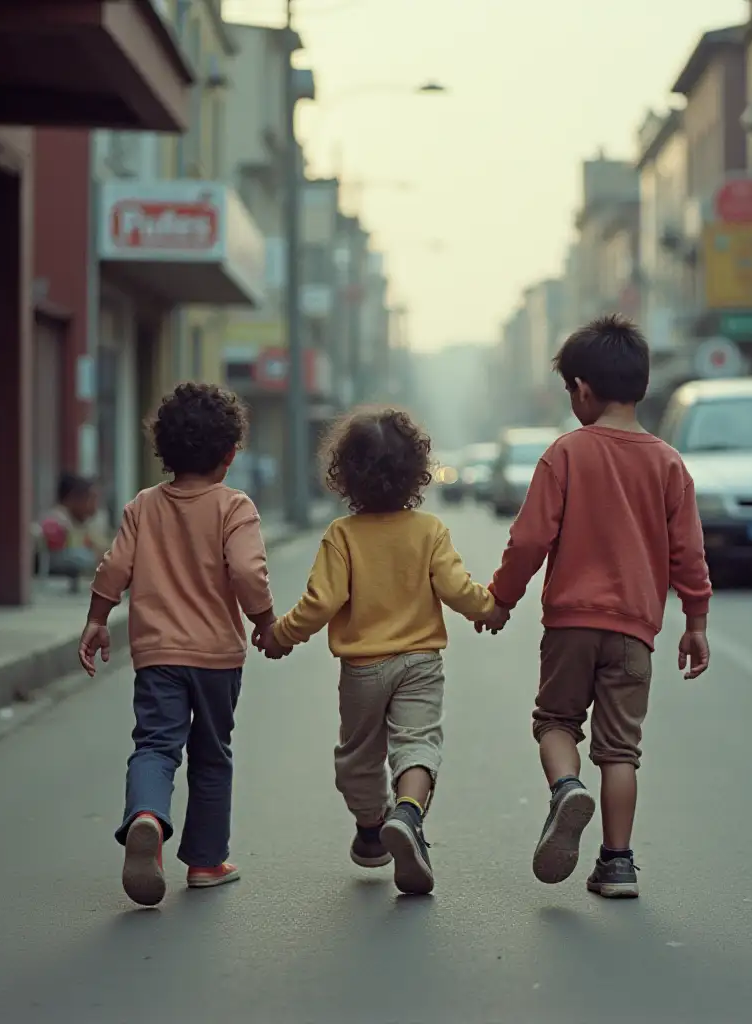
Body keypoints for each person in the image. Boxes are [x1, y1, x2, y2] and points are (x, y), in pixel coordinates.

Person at [484, 314, 712, 899]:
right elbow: (688, 552)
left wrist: (501, 599)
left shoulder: (565, 454)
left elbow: (530, 540)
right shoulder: (667, 463)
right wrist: (696, 622)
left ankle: (566, 789)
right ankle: (617, 864)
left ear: (582, 389)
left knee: (556, 722)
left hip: (570, 624)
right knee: (620, 750)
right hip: (635, 629)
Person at [255, 408, 507, 895]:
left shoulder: (343, 536)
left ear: (345, 475)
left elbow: (321, 602)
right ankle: (408, 815)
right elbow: (455, 588)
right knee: (417, 743)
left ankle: (372, 828)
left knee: (359, 756)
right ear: (416, 471)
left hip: (363, 668)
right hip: (420, 663)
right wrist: (487, 610)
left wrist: (281, 635)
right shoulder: (429, 530)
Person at [77, 383, 276, 908]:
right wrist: (265, 621)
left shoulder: (144, 506)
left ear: (162, 448)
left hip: (157, 655)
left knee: (155, 745)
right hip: (216, 659)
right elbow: (248, 571)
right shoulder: (235, 507)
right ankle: (208, 862)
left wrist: (98, 619)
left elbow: (113, 567)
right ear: (231, 453)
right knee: (212, 756)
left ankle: (146, 816)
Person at [40, 473, 109, 581]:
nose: (95, 507)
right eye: (91, 499)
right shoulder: (55, 524)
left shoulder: (78, 524)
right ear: (74, 498)